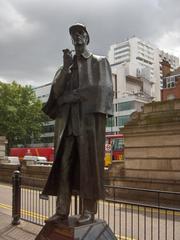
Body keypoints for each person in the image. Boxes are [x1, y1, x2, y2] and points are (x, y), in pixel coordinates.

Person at [42, 23, 113, 224]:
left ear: (87, 37)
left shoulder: (99, 62)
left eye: (81, 33)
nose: (77, 36)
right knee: (64, 168)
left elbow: (103, 91)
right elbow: (56, 93)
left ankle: (88, 211)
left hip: (87, 125)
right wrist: (65, 69)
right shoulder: (65, 67)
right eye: (73, 34)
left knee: (88, 167)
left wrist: (73, 96)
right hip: (67, 127)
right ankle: (62, 210)